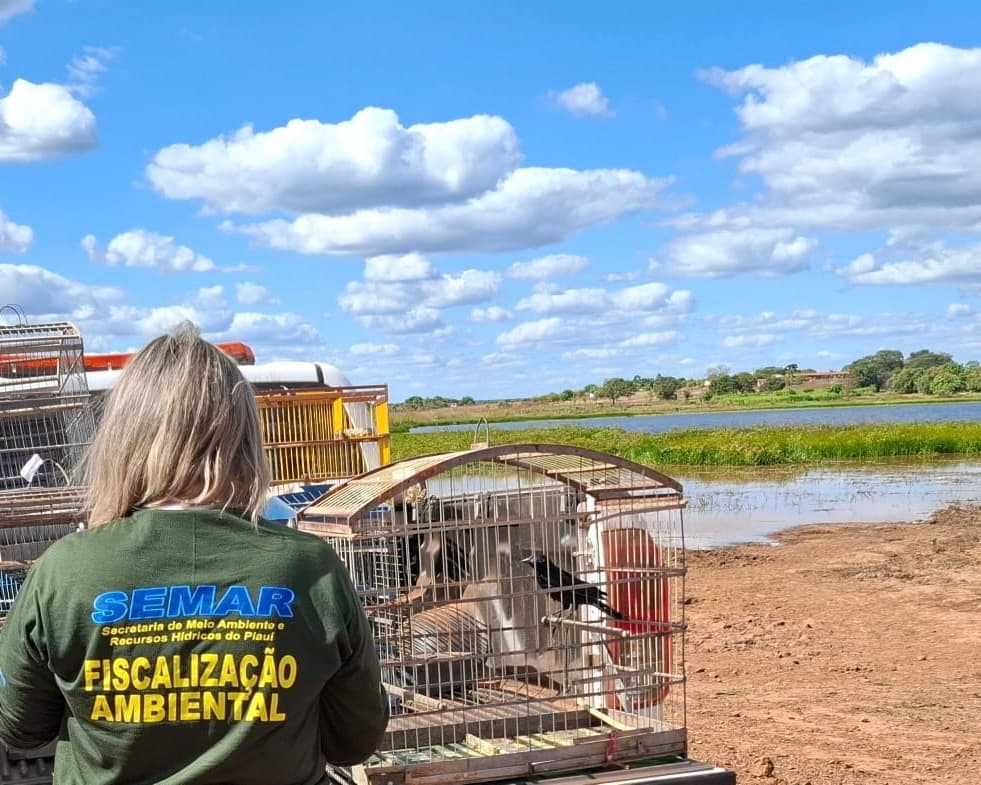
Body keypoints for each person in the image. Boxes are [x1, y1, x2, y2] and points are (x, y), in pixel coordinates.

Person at [0, 323, 389, 784]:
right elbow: (356, 739)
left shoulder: (63, 571)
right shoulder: (311, 568)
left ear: (122, 440)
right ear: (245, 439)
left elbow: (20, 727)